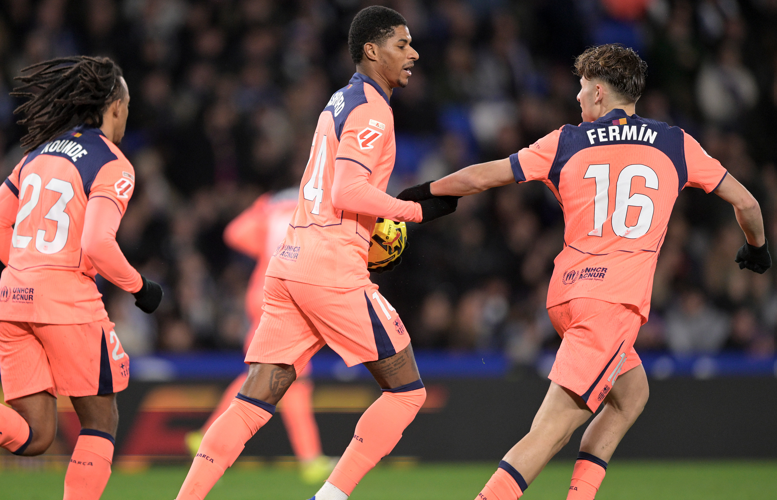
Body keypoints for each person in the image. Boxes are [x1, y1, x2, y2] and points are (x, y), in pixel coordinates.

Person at [398, 43, 771, 500]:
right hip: (611, 305)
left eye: (580, 89)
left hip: (567, 296)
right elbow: (748, 203)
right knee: (550, 432)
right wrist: (757, 249)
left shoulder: (566, 141)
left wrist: (422, 193)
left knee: (632, 394)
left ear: (597, 93)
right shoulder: (676, 143)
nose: (577, 98)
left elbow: (482, 177)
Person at [175, 6, 458, 500]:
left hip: (288, 265)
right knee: (408, 391)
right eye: (402, 44)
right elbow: (348, 190)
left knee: (252, 399)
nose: (413, 53)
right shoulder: (373, 109)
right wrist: (412, 213)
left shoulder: (340, 100)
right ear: (372, 50)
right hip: (331, 267)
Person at [0, 56, 163, 500]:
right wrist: (141, 288)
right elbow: (98, 244)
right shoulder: (114, 163)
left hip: (13, 299)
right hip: (66, 301)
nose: (126, 115)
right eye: (127, 106)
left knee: (35, 433)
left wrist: (27, 269)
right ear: (114, 105)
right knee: (101, 421)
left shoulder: (38, 154)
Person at [184, 186, 335, 483]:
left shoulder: (272, 207)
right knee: (272, 374)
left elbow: (234, 233)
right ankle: (208, 436)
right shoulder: (318, 207)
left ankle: (309, 459)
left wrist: (264, 237)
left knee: (285, 377)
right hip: (292, 293)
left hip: (264, 290)